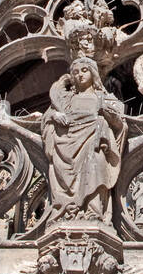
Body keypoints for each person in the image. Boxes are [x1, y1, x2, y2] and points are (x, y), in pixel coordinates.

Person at [43, 57, 126, 221]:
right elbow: (48, 118)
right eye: (75, 72)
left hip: (93, 146)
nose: (79, 75)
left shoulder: (104, 98)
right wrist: (55, 115)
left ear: (93, 73)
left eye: (84, 70)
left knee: (96, 166)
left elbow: (120, 125)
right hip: (66, 147)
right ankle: (67, 210)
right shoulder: (66, 99)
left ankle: (93, 211)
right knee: (64, 174)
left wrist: (107, 114)